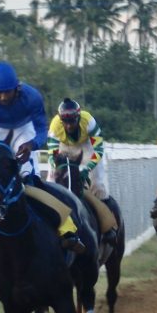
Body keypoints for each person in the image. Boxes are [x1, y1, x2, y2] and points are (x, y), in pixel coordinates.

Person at [0, 61, 86, 271]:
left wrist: (32, 144)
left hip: (25, 130)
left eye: (8, 92)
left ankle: (67, 230)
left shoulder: (32, 97)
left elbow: (41, 129)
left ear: (17, 88)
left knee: (29, 180)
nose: (3, 97)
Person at [46, 97, 118, 244]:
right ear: (60, 120)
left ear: (78, 117)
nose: (69, 125)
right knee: (50, 182)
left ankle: (108, 226)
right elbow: (52, 156)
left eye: (72, 121)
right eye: (65, 122)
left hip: (86, 146)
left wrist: (86, 170)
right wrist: (60, 168)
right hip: (64, 147)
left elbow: (98, 150)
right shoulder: (55, 126)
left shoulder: (89, 121)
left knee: (97, 183)